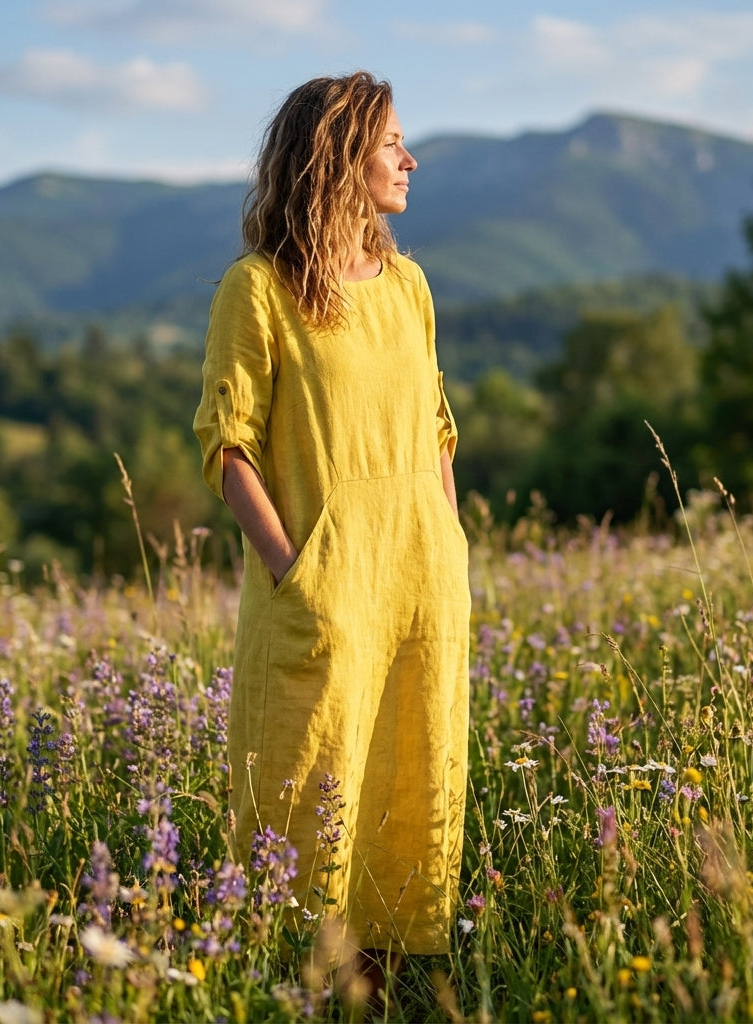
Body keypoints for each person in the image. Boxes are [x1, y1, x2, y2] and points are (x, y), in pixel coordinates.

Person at [193, 71, 471, 997]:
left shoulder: (410, 286)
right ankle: (305, 996)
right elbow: (229, 448)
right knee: (308, 805)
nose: (410, 160)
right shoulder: (258, 290)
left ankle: (380, 1004)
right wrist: (296, 576)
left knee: (406, 786)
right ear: (340, 158)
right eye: (392, 143)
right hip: (322, 591)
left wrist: (450, 544)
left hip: (423, 584)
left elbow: (436, 427)